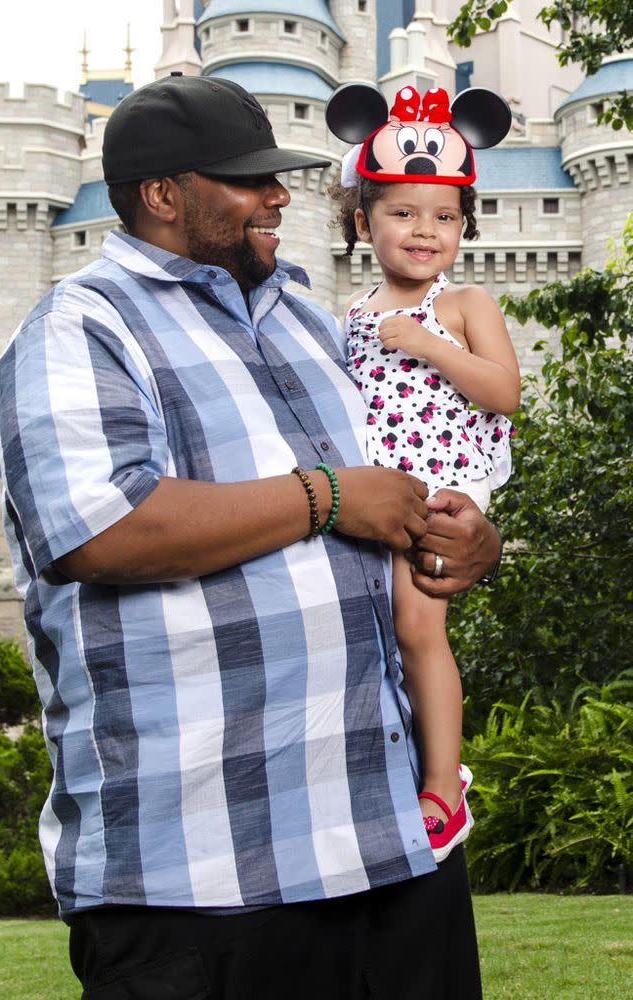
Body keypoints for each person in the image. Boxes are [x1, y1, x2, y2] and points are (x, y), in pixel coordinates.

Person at [0, 73, 503, 999]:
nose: (278, 197)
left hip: (388, 852)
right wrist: (327, 496)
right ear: (161, 195)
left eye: (277, 176)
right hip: (203, 881)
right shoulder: (78, 330)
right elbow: (98, 531)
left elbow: (396, 492)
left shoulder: (312, 325)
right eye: (246, 180)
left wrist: (465, 541)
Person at [328, 84, 520, 862]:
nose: (425, 230)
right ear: (361, 219)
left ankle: (445, 787)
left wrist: (431, 341)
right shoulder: (351, 312)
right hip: (377, 487)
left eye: (444, 216)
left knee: (417, 625)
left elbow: (504, 392)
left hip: (443, 484)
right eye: (403, 212)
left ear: (465, 226)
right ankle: (386, 769)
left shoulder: (466, 301)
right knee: (369, 632)